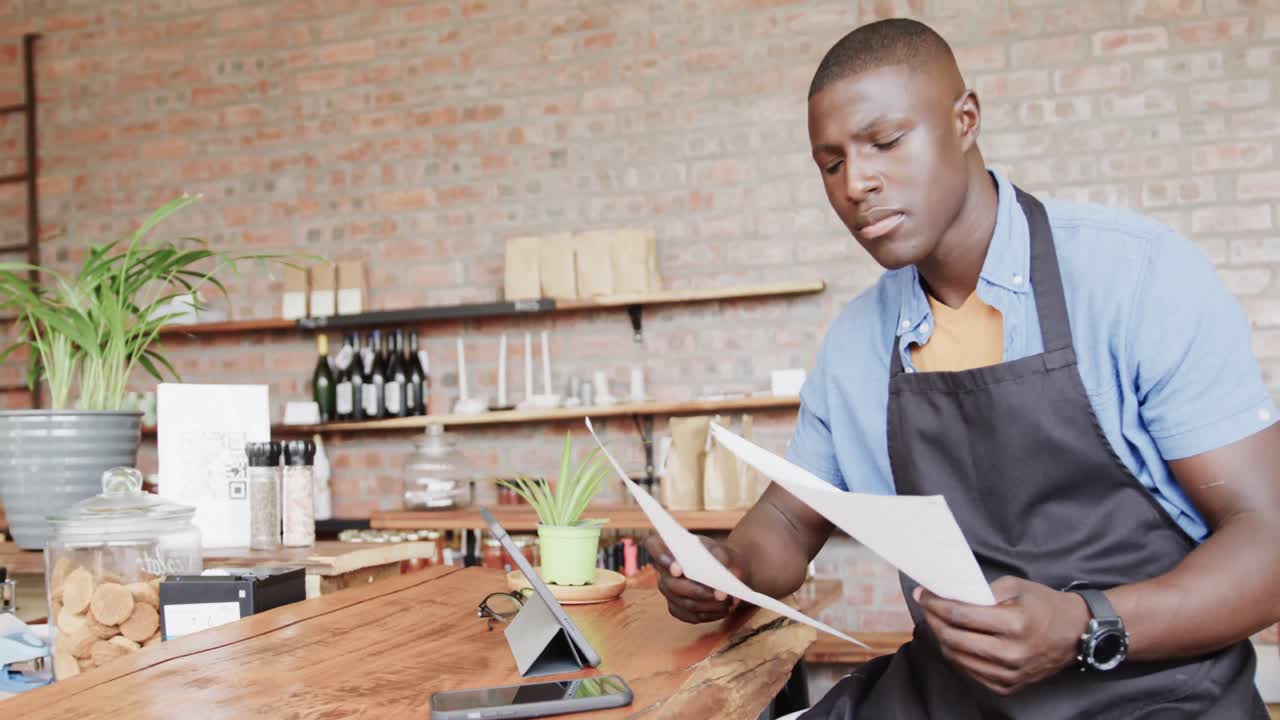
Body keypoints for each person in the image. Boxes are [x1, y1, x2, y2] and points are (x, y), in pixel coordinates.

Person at [645, 17, 1280, 718]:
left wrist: (1084, 623)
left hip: (1155, 696)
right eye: (831, 164)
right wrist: (727, 570)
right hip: (953, 698)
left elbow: (1268, 539)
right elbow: (789, 526)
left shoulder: (1136, 279)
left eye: (886, 142)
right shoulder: (857, 343)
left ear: (965, 120)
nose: (857, 183)